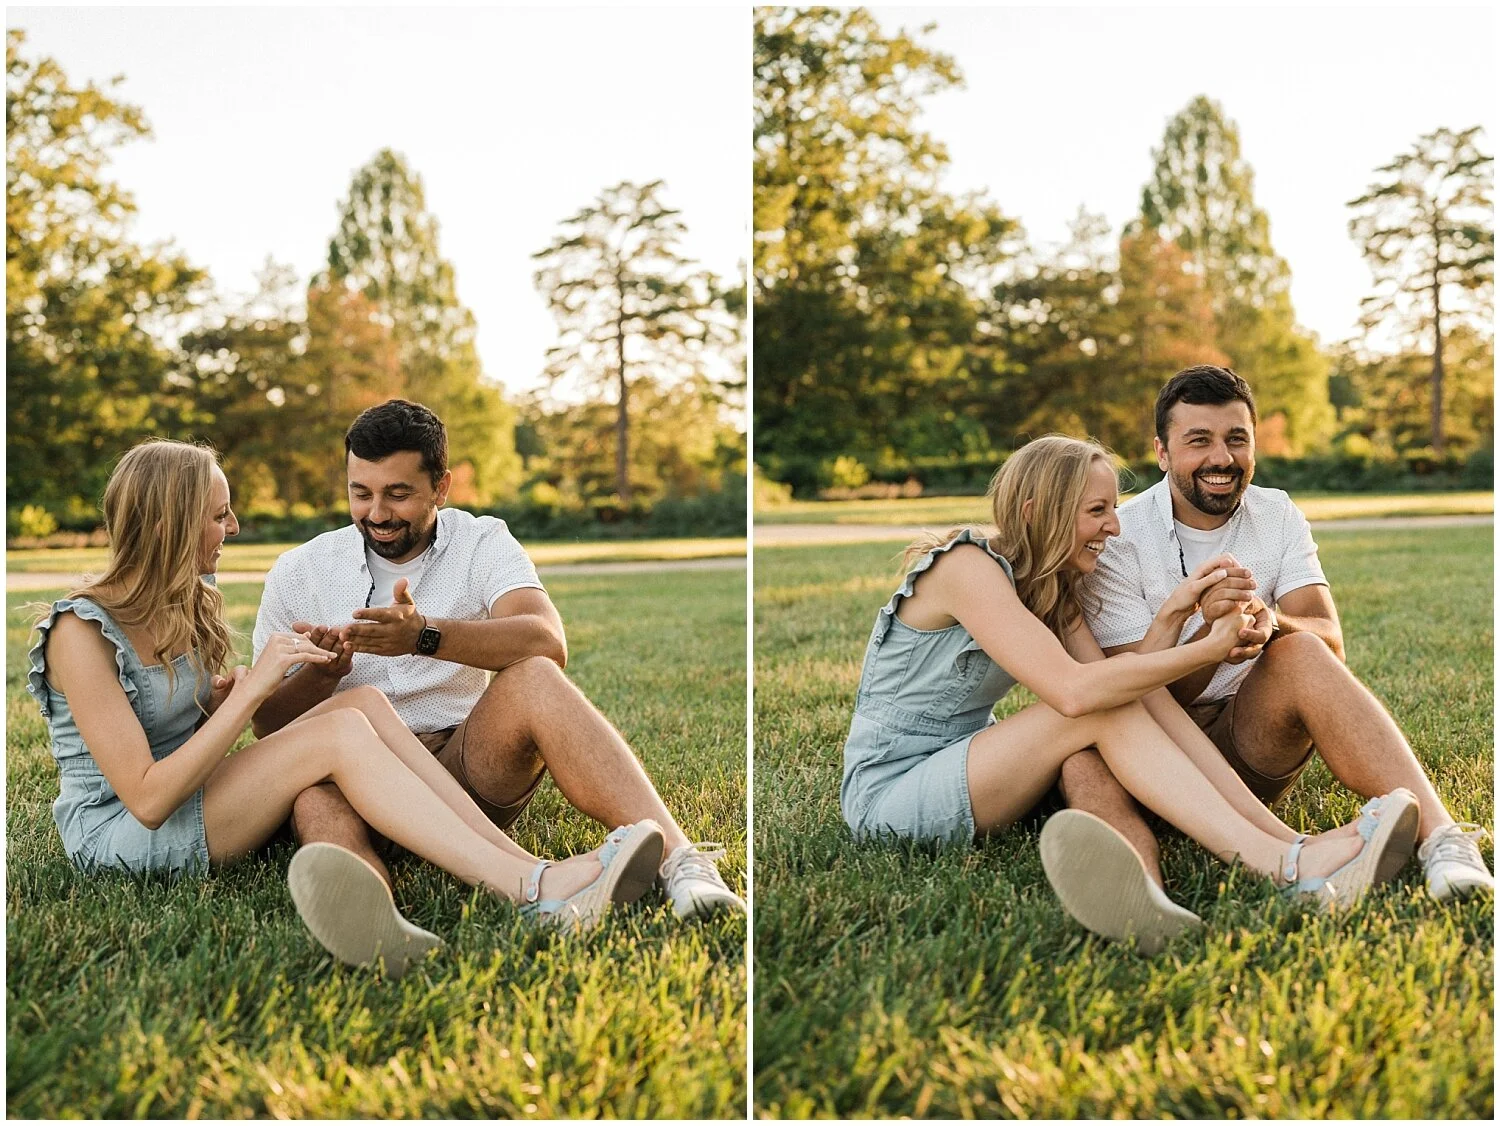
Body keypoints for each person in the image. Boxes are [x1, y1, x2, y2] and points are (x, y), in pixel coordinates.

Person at [27, 440, 665, 978]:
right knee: (331, 738)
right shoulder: (79, 632)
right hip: (123, 833)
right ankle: (533, 889)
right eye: (219, 515)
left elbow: (187, 735)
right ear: (169, 521)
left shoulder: (189, 602)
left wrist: (229, 695)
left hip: (190, 798)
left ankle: (526, 869)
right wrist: (249, 693)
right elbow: (145, 797)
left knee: (356, 698)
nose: (234, 528)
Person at [841, 434, 1420, 953]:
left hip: (966, 772)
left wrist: (1173, 615)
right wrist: (1206, 649)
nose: (1113, 527)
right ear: (1036, 512)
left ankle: (1291, 846)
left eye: (1113, 510)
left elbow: (1135, 687)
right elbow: (1073, 694)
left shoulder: (1053, 589)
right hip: (890, 794)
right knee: (1090, 710)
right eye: (1097, 511)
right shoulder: (967, 566)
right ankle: (1284, 866)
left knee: (1127, 702)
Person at [251, 399, 743, 965]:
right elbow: (268, 729)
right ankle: (376, 920)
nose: (377, 512)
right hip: (351, 777)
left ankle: (681, 866)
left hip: (464, 763)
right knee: (313, 795)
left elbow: (545, 640)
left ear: (442, 486)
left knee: (533, 678)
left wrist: (424, 635)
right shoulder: (300, 570)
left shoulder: (482, 541)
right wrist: (320, 678)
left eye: (398, 493)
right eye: (361, 493)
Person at [1075, 365, 1493, 907]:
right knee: (1083, 756)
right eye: (1198, 440)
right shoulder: (1119, 533)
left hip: (1248, 739)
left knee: (1299, 649)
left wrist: (1270, 623)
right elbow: (1134, 700)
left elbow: (1329, 644)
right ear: (1161, 452)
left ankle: (1443, 840)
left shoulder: (1276, 512)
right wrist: (1210, 637)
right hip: (1146, 750)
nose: (1221, 458)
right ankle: (1144, 897)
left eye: (1236, 439)